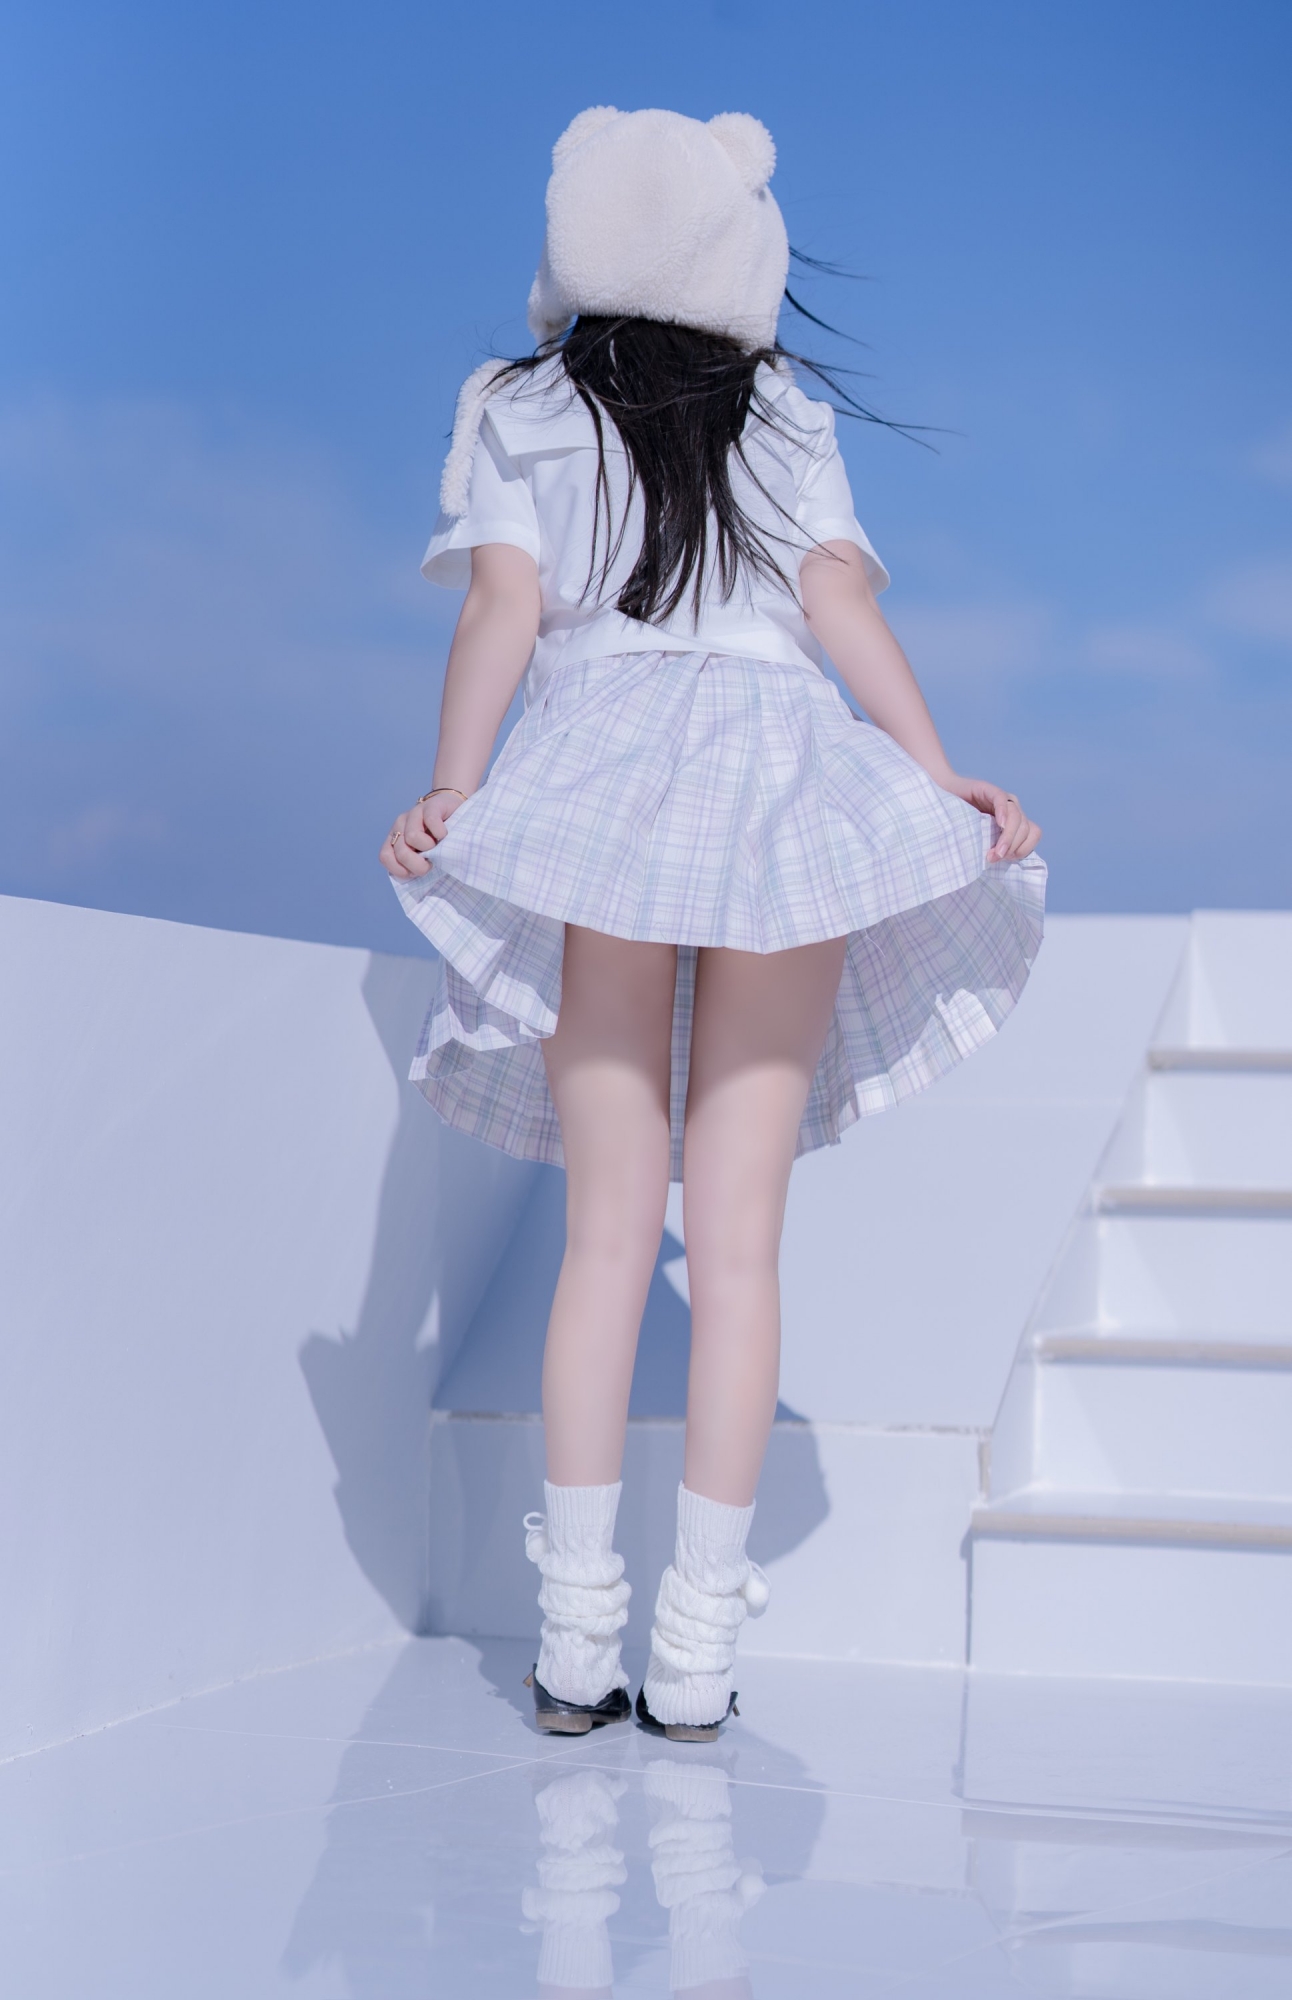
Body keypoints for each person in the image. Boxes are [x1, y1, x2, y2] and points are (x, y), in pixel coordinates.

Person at [381, 106, 1044, 1745]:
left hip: (602, 790)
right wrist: (935, 774)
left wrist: (457, 787)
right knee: (737, 1248)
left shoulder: (515, 405)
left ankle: (574, 1643)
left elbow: (502, 609)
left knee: (608, 1236)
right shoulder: (786, 409)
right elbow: (837, 602)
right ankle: (691, 1659)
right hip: (785, 780)